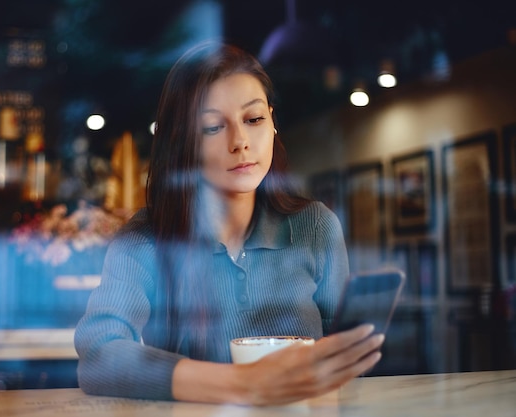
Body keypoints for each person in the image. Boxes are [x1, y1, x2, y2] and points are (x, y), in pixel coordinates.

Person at [74, 41, 384, 406]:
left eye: (254, 120)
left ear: (272, 122)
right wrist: (243, 384)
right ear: (182, 142)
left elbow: (348, 362)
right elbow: (99, 354)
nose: (240, 142)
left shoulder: (315, 227)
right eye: (212, 127)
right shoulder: (147, 239)